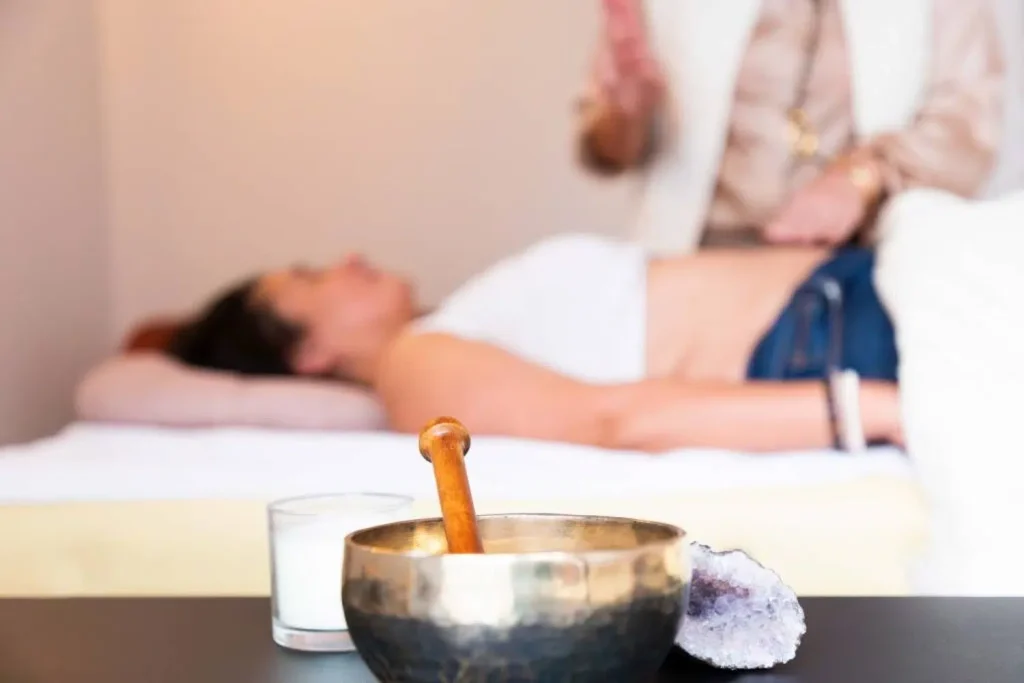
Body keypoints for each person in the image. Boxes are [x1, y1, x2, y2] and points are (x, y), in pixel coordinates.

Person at [168, 235, 902, 453]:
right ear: (307, 356)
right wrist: (875, 408)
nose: (348, 258)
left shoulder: (452, 327)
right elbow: (610, 420)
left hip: (855, 299)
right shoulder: (414, 369)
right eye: (310, 275)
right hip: (838, 333)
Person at [581, 0, 1006, 253]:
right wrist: (626, 113)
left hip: (860, 267)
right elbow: (604, 152)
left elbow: (967, 126)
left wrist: (863, 176)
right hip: (697, 262)